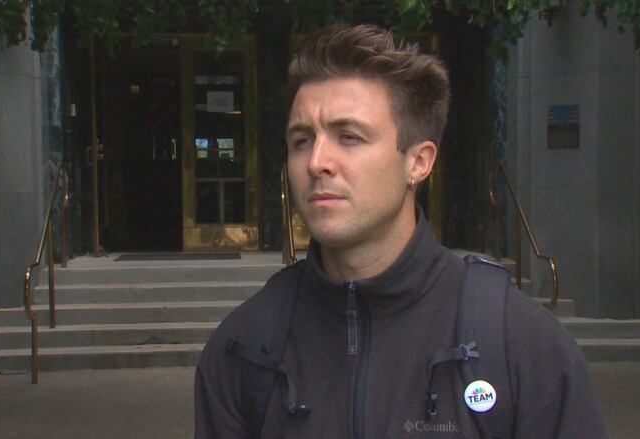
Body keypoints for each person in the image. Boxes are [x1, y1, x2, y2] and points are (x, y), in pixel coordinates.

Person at [194, 24, 607, 438]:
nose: (317, 161)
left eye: (349, 137)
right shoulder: (244, 349)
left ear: (419, 161)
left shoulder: (524, 346)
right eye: (301, 140)